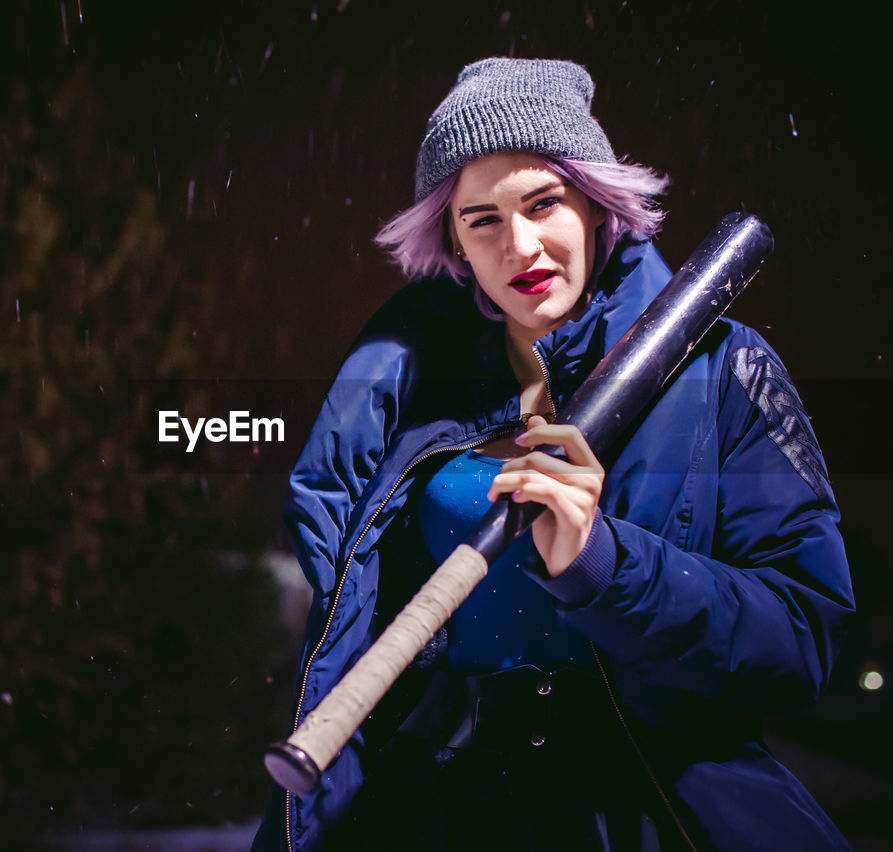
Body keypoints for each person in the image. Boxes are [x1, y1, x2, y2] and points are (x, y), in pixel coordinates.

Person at [253, 58, 854, 851]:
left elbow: (800, 640)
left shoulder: (723, 372)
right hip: (435, 811)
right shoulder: (414, 394)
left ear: (598, 206)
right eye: (484, 221)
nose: (521, 245)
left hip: (640, 809)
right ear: (455, 243)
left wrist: (606, 563)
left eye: (545, 203)